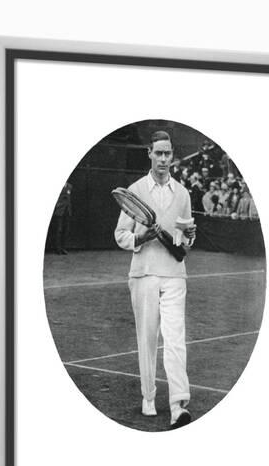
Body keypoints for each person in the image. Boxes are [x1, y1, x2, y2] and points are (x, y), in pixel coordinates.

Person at [114, 131, 196, 429]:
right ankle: (148, 396)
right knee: (147, 339)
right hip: (144, 274)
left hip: (175, 274)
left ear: (173, 156)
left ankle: (178, 405)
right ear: (149, 153)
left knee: (175, 339)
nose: (163, 159)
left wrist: (188, 237)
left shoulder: (184, 193)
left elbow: (186, 234)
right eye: (158, 153)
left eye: (168, 154)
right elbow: (120, 234)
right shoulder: (135, 189)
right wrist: (140, 237)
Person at [52, 181, 73, 254]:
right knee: (59, 230)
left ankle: (63, 248)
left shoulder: (70, 186)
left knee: (66, 230)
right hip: (59, 211)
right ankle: (58, 249)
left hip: (67, 211)